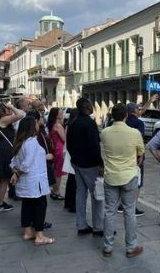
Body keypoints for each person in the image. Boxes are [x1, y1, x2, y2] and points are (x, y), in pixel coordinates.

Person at [100, 103, 144, 258]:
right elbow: (140, 153)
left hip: (111, 176)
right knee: (129, 212)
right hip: (129, 176)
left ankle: (107, 246)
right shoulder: (134, 133)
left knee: (110, 211)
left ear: (112, 116)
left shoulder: (105, 132)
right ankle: (131, 247)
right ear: (126, 115)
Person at [10, 116, 55, 246]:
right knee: (40, 205)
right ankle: (39, 235)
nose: (37, 124)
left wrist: (15, 172)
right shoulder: (32, 142)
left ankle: (28, 231)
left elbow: (14, 161)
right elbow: (27, 163)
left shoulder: (20, 142)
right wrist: (18, 173)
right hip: (35, 181)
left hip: (27, 182)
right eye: (35, 123)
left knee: (27, 205)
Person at [66, 98, 104, 236]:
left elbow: (68, 144)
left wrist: (74, 158)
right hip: (89, 164)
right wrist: (100, 163)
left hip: (76, 162)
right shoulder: (89, 123)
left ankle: (81, 224)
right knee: (97, 194)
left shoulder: (73, 122)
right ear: (87, 107)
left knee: (80, 193)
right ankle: (98, 226)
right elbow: (94, 146)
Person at [0, 102, 24, 212]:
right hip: (3, 152)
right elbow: (20, 115)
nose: (9, 111)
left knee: (3, 178)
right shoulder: (3, 120)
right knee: (4, 179)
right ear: (2, 111)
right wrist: (11, 106)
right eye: (7, 109)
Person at [120, 102, 147, 217]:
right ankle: (133, 206)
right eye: (138, 108)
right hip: (135, 156)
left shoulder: (123, 122)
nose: (139, 110)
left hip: (123, 155)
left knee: (124, 180)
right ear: (135, 110)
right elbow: (139, 140)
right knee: (137, 182)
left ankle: (122, 204)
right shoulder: (139, 123)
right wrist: (140, 155)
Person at [47, 107, 66, 200]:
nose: (62, 113)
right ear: (56, 115)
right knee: (58, 172)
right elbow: (64, 139)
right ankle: (56, 191)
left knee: (56, 170)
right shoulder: (58, 125)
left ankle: (55, 190)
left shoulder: (53, 124)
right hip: (60, 149)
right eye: (60, 112)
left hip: (55, 148)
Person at [63, 108, 78, 213]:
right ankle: (72, 204)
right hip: (73, 154)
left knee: (71, 180)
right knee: (74, 181)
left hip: (69, 153)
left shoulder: (68, 124)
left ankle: (68, 202)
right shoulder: (74, 125)